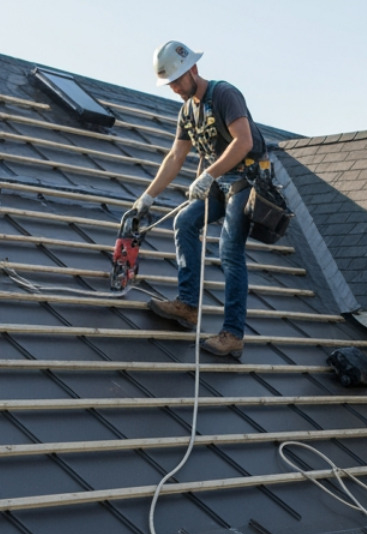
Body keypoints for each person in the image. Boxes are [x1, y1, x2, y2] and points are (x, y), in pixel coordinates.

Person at [129, 41, 267, 361]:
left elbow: (244, 142)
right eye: (170, 83)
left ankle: (232, 334)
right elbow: (176, 156)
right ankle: (188, 306)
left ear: (193, 69)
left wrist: (207, 176)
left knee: (229, 251)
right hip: (220, 180)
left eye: (177, 80)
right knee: (185, 222)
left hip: (248, 180)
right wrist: (147, 197)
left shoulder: (224, 95)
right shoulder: (187, 110)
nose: (174, 87)